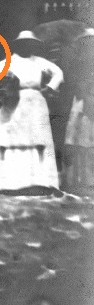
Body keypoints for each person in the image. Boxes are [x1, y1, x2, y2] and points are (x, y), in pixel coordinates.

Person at [0, 30, 63, 195]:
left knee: (38, 139)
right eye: (23, 44)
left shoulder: (40, 62)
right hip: (13, 104)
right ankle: (8, 183)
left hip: (36, 103)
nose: (27, 47)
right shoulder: (9, 62)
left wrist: (50, 87)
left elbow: (58, 73)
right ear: (17, 45)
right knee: (12, 140)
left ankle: (41, 181)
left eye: (30, 44)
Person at [61, 30, 94, 195]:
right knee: (77, 140)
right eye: (87, 42)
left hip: (90, 98)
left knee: (89, 142)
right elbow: (72, 81)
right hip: (80, 102)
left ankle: (89, 180)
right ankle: (75, 180)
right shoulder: (77, 62)